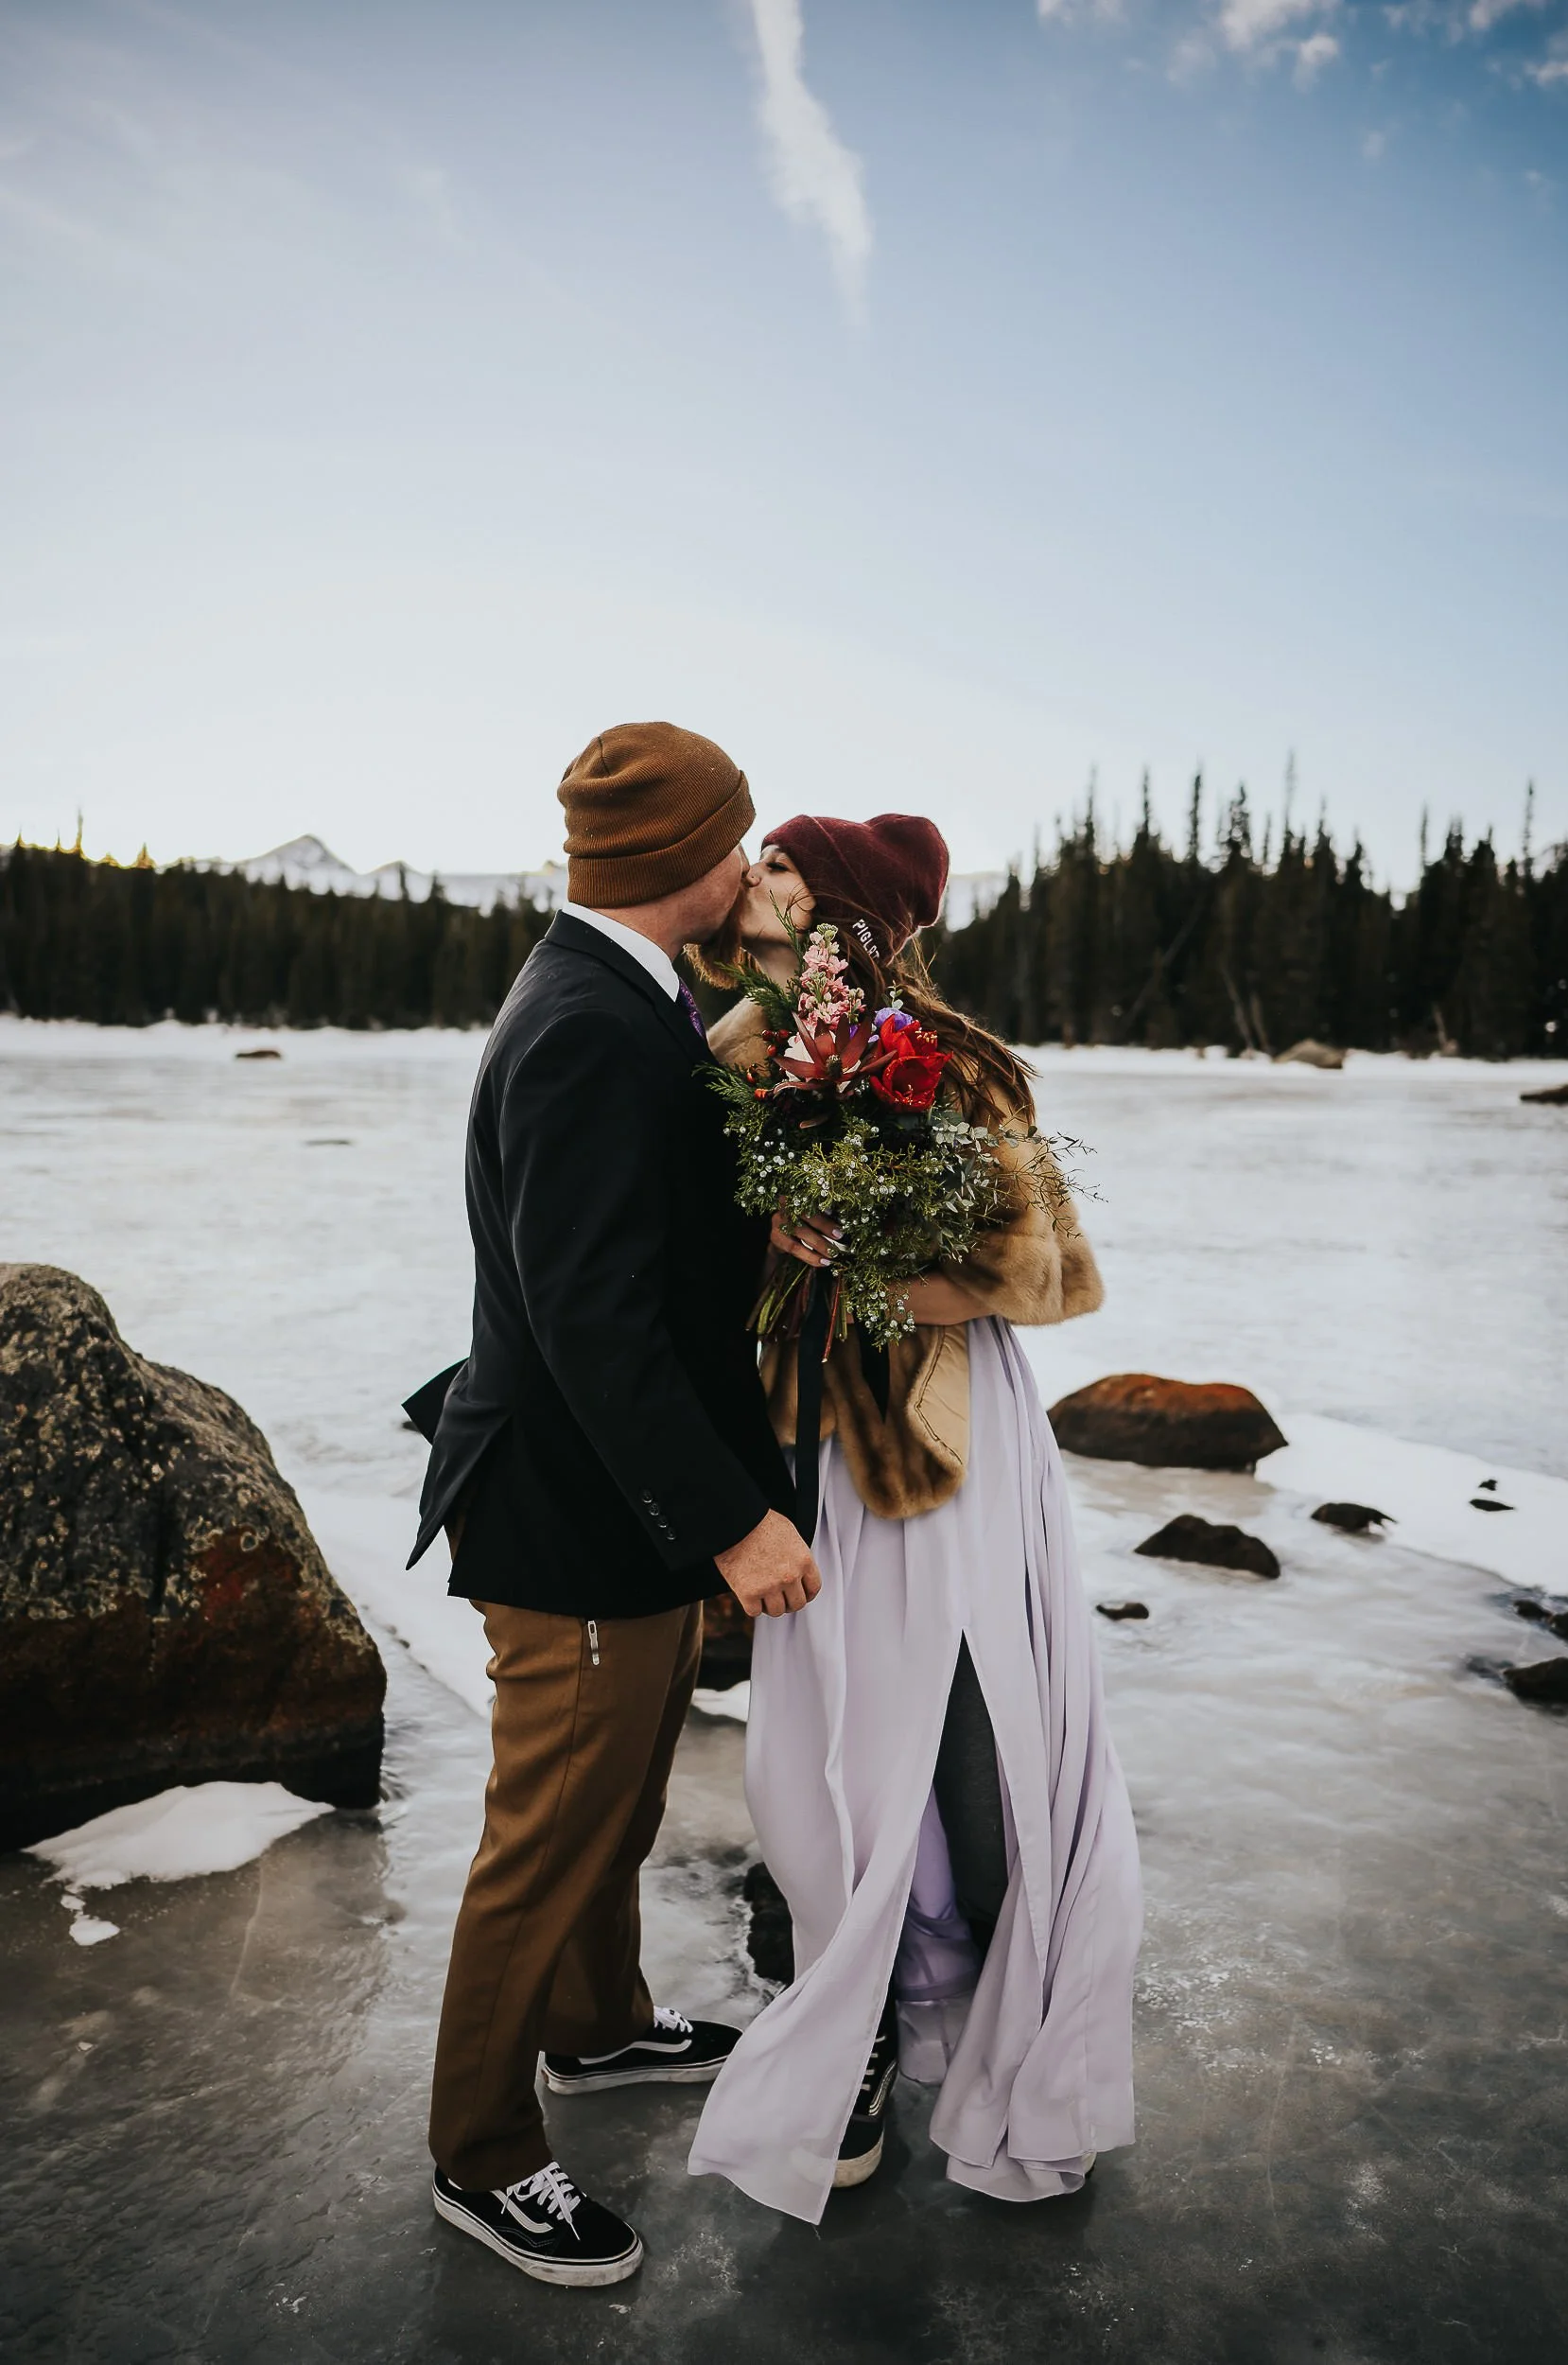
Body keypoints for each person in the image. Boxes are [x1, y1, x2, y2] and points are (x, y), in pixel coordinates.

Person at [404, 723, 817, 2288]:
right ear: (682, 863)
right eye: (740, 840)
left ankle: (597, 2029)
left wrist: (772, 1230)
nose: (751, 863)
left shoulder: (629, 999)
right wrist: (731, 1521)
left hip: (612, 1510)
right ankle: (481, 2151)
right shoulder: (583, 1021)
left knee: (618, 1799)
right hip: (573, 1516)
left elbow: (644, 1249)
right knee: (550, 1831)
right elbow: (592, 1322)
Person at [688, 813, 1142, 2223]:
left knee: (959, 1738)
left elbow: (1050, 1274)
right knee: (811, 1758)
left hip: (935, 1450)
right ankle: (857, 2020)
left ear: (843, 910)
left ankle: (1014, 2030)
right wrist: (761, 1236)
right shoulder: (726, 1050)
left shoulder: (955, 1064)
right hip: (794, 1446)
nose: (749, 879)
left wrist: (861, 1262)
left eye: (778, 864)